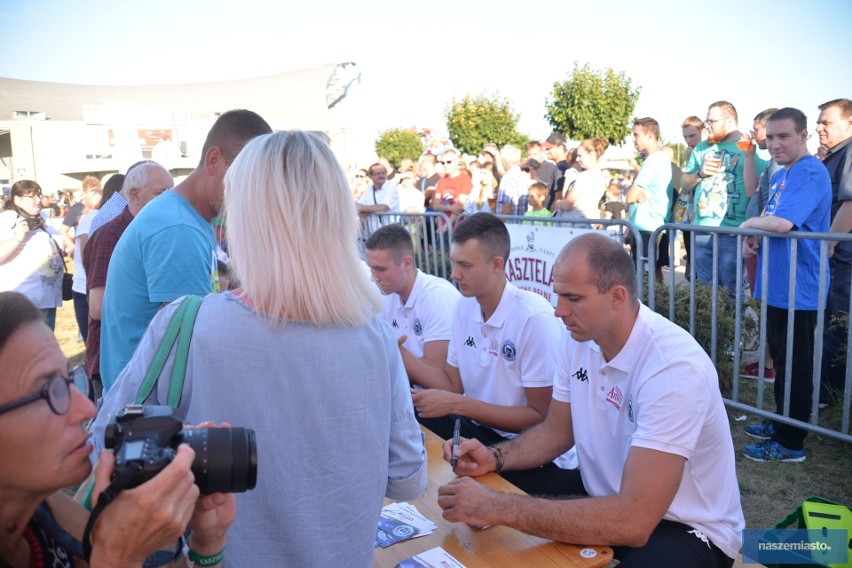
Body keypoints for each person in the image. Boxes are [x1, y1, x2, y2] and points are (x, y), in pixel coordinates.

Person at [90, 131, 426, 566]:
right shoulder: (376, 338)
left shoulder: (188, 325)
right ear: (339, 218)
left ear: (244, 216)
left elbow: (104, 445)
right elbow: (407, 479)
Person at [438, 233, 744, 567]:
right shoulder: (580, 338)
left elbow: (634, 521)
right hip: (604, 496)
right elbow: (556, 430)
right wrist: (494, 458)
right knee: (494, 483)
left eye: (573, 298)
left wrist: (501, 508)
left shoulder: (673, 368)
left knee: (502, 503)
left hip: (685, 528)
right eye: (557, 296)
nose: (559, 311)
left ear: (617, 296)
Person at [0, 291, 235, 567]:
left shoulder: (40, 516)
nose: (87, 410)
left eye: (68, 380)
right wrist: (118, 558)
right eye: (50, 391)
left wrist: (208, 543)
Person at [99, 110, 271, 392]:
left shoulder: (186, 215)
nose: (250, 192)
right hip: (148, 407)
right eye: (245, 178)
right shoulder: (179, 228)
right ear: (214, 160)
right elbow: (190, 346)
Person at [410, 213, 577, 496]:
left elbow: (540, 418)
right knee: (411, 414)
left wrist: (456, 404)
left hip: (531, 452)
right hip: (482, 432)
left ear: (497, 265)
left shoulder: (533, 318)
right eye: (454, 263)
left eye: (464, 265)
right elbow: (453, 385)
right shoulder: (464, 307)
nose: (454, 274)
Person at [741, 108, 832, 462]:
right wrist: (754, 236)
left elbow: (782, 225)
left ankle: (791, 442)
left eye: (783, 137)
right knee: (781, 357)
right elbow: (772, 221)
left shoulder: (810, 170)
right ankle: (780, 422)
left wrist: (750, 224)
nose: (774, 144)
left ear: (803, 136)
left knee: (795, 365)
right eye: (770, 138)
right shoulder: (783, 174)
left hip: (801, 287)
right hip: (779, 284)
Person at [84, 161, 174, 400]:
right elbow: (97, 307)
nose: (170, 200)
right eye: (161, 193)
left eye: (171, 192)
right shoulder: (110, 235)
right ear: (134, 195)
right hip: (114, 364)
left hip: (139, 363)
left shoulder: (151, 231)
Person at [365, 223, 461, 388]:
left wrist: (395, 353)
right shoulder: (386, 294)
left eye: (381, 269)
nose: (374, 278)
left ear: (407, 264)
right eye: (371, 269)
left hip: (440, 407)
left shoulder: (436, 296)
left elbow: (440, 382)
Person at [682, 101, 747, 296]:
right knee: (705, 291)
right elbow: (685, 183)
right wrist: (699, 173)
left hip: (734, 231)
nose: (707, 126)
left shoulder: (748, 147)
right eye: (706, 121)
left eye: (712, 122)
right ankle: (707, 328)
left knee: (732, 291)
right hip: (701, 230)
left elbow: (760, 189)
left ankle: (736, 328)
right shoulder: (702, 147)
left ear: (729, 121)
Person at [816, 98, 852, 405]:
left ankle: (829, 393)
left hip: (842, 256)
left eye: (826, 122)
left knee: (836, 323)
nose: (819, 127)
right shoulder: (835, 155)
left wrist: (830, 242)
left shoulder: (850, 152)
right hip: (837, 255)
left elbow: (850, 203)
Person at [0, 181, 64, 330]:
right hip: (24, 302)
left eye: (38, 195)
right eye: (31, 196)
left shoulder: (40, 216)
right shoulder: (7, 219)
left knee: (43, 348)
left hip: (47, 299)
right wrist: (17, 237)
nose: (38, 200)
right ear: (17, 199)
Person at [626, 118, 674, 281]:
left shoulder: (654, 160)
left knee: (646, 279)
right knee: (652, 275)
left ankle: (653, 306)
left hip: (648, 228)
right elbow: (633, 196)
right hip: (649, 226)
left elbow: (630, 196)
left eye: (636, 135)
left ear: (650, 136)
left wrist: (635, 191)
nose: (634, 140)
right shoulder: (657, 159)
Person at [70, 187, 102, 343]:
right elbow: (86, 255)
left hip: (89, 289)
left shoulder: (94, 216)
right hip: (86, 290)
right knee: (93, 344)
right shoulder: (93, 217)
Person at [552, 138, 609, 227]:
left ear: (591, 155)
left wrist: (557, 203)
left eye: (580, 156)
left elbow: (568, 204)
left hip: (572, 226)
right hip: (585, 225)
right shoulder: (601, 177)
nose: (577, 159)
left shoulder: (584, 177)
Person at [356, 162, 400, 234]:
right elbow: (359, 203)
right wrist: (360, 208)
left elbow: (383, 207)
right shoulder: (369, 189)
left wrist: (362, 208)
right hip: (374, 233)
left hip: (391, 231)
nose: (381, 175)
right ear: (370, 176)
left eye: (383, 173)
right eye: (377, 173)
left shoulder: (391, 188)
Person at [496, 144, 529, 216]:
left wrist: (497, 224)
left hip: (509, 224)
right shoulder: (524, 177)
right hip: (521, 223)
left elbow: (506, 208)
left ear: (504, 161)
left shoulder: (507, 178)